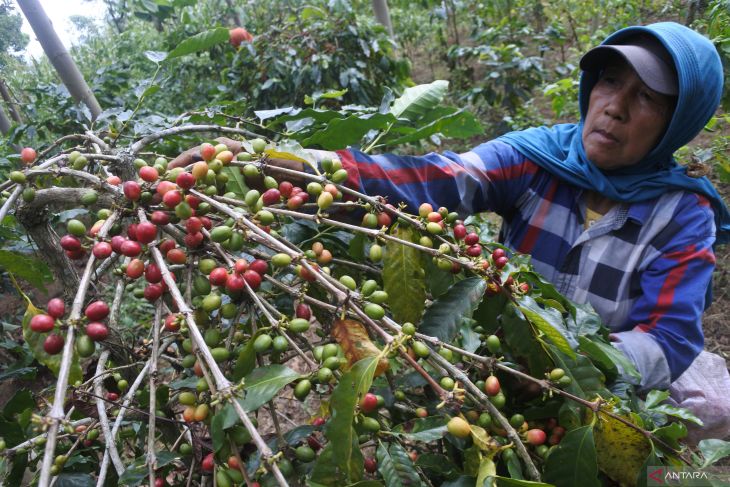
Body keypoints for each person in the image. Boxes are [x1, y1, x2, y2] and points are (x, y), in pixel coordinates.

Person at [172, 21, 730, 441]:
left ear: (677, 122)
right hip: (497, 373)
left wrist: (576, 368)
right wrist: (295, 163)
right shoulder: (539, 159)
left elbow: (670, 338)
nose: (614, 108)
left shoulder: (682, 213)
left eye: (647, 99)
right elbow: (439, 178)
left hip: (594, 401)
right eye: (610, 82)